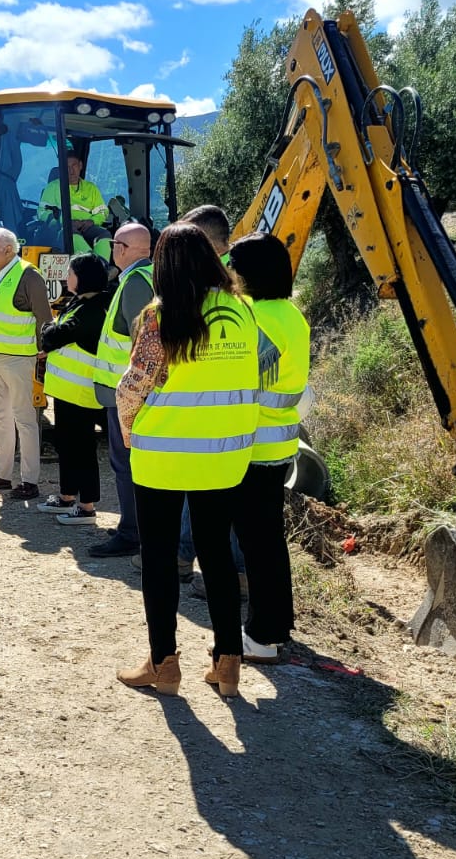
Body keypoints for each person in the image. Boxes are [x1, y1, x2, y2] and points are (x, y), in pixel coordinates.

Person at [115, 223, 259, 698]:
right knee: (215, 553)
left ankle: (163, 664)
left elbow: (135, 384)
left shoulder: (160, 315)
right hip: (225, 453)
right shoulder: (242, 311)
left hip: (164, 454)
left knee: (158, 557)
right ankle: (227, 663)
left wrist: (129, 429)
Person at [230, 232, 310, 664]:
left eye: (233, 267)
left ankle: (262, 635)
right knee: (267, 542)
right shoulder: (291, 315)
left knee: (256, 545)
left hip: (250, 446)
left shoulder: (254, 318)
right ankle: (276, 623)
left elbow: (239, 378)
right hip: (278, 444)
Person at [176, 204, 248, 586]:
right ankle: (186, 553)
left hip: (226, 418)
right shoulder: (213, 286)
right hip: (212, 417)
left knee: (225, 500)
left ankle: (231, 572)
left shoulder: (232, 289)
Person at [0, 228, 52, 500]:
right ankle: (1, 475)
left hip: (19, 360)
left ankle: (30, 481)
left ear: (8, 250)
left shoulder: (29, 276)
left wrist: (43, 353)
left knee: (25, 421)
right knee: (1, 418)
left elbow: (44, 318)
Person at [88, 222, 152, 558]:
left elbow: (143, 345)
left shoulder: (135, 284)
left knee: (125, 464)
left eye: (114, 244)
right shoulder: (149, 277)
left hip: (128, 395)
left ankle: (132, 533)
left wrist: (132, 392)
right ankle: (135, 526)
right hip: (138, 394)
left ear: (123, 249)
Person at [37, 254, 111, 524]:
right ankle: (67, 496)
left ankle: (87, 507)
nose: (66, 278)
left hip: (82, 393)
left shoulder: (95, 309)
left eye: (70, 273)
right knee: (66, 445)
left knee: (82, 449)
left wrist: (49, 330)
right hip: (67, 391)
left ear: (84, 277)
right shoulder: (79, 303)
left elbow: (53, 336)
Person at [40, 148, 107, 226]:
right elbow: (42, 212)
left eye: (74, 166)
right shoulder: (52, 188)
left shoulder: (91, 188)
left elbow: (102, 211)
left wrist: (92, 221)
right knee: (76, 238)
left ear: (80, 165)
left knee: (105, 237)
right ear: (62, 169)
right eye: (67, 167)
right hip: (65, 231)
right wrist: (62, 222)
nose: (71, 171)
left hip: (89, 227)